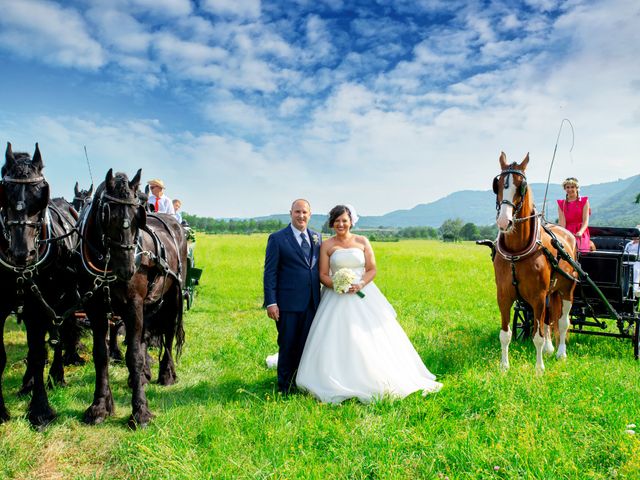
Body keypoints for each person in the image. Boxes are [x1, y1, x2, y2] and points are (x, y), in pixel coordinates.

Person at [296, 204, 442, 404]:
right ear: (332, 223)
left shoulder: (362, 241)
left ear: (351, 222)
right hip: (335, 297)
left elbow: (372, 269)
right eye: (337, 221)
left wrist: (360, 283)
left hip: (364, 294)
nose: (341, 224)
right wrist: (338, 285)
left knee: (371, 335)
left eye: (344, 220)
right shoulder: (327, 245)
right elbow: (322, 275)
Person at [263, 199, 322, 394]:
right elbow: (270, 272)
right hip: (287, 303)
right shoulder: (278, 238)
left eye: (304, 212)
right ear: (291, 213)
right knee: (288, 344)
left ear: (310, 214)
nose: (301, 216)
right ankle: (285, 386)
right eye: (297, 212)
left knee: (307, 344)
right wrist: (271, 302)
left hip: (312, 302)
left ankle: (303, 382)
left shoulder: (316, 237)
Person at [557, 177, 591, 253]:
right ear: (565, 189)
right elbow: (562, 222)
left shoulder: (584, 201)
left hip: (580, 231)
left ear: (576, 188)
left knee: (581, 250)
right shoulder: (561, 203)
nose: (570, 189)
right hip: (567, 231)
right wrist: (562, 234)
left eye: (572, 187)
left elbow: (585, 221)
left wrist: (580, 232)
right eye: (567, 187)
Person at [624, 226, 640, 297]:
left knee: (636, 269)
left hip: (637, 262)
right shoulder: (628, 244)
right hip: (627, 261)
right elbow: (624, 254)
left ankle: (635, 290)